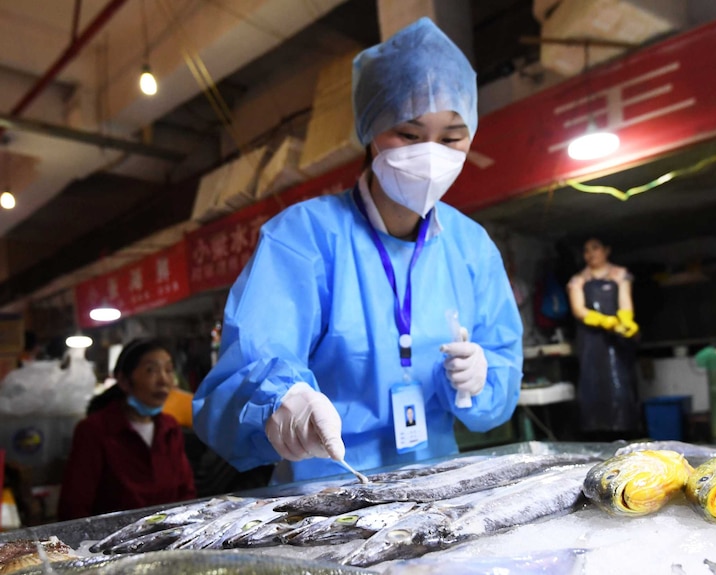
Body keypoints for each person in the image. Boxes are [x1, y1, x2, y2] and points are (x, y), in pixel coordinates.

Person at [193, 17, 523, 482]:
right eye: (408, 135)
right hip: (324, 495)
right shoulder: (303, 238)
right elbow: (245, 369)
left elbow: (500, 379)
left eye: (451, 137)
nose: (431, 155)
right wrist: (281, 401)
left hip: (436, 485)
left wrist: (483, 378)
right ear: (370, 129)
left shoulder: (472, 248)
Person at [58, 339, 196, 520]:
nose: (164, 380)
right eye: (151, 370)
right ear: (123, 380)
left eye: (169, 370)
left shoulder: (169, 428)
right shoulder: (94, 430)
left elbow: (186, 494)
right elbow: (74, 508)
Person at [566, 238, 640, 441]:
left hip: (617, 339)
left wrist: (624, 320)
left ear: (607, 250)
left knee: (621, 380)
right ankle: (596, 432)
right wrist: (602, 320)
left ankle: (627, 430)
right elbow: (578, 310)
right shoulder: (577, 280)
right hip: (591, 339)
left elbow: (625, 301)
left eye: (595, 248)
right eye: (586, 250)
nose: (591, 254)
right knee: (592, 381)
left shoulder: (620, 274)